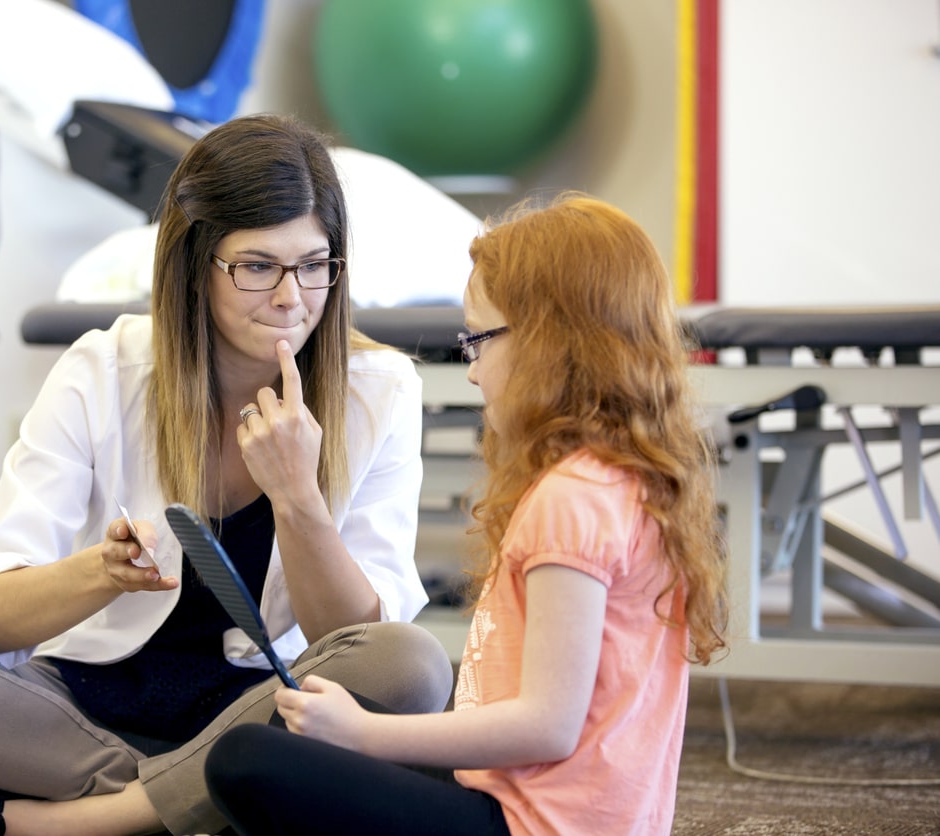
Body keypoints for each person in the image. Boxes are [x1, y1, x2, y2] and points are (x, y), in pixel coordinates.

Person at [0, 113, 453, 836]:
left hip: (266, 709)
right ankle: (209, 802)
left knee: (411, 666)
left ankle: (97, 821)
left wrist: (299, 498)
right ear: (196, 264)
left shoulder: (378, 389)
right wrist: (101, 572)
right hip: (84, 707)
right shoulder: (103, 369)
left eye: (315, 265)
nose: (293, 298)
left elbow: (352, 641)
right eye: (258, 267)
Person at [204, 193, 729, 835]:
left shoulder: (572, 499)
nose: (473, 371)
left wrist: (368, 734)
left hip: (529, 824)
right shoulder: (627, 482)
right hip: (531, 801)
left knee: (245, 758)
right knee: (303, 722)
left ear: (549, 341)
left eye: (477, 340)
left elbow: (546, 725)